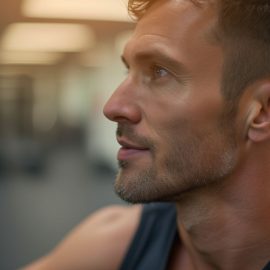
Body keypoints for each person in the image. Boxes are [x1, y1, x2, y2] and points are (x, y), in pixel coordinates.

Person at [22, 0, 270, 269]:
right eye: (128, 69)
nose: (113, 107)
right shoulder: (110, 244)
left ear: (261, 112)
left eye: (159, 72)